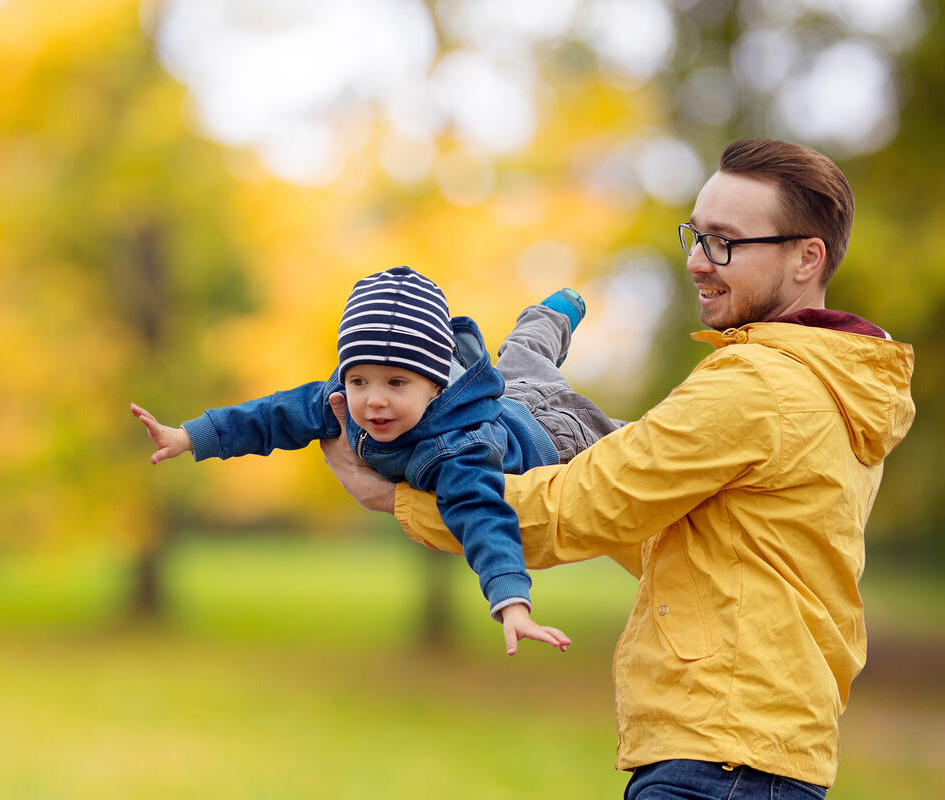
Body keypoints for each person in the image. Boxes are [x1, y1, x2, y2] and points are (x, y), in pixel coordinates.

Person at [318, 139, 915, 797]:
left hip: (721, 760)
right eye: (696, 235)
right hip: (748, 750)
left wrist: (396, 500)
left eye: (724, 243)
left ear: (807, 256)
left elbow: (581, 505)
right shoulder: (830, 383)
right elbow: (676, 539)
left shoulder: (760, 387)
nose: (696, 261)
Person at [132, 265, 620, 655]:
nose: (374, 402)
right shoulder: (342, 400)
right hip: (500, 398)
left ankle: (557, 311)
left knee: (552, 381)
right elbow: (271, 415)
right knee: (520, 357)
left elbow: (484, 517)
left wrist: (511, 601)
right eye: (360, 380)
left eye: (396, 384)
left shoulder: (455, 450)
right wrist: (190, 437)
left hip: (552, 433)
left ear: (435, 384)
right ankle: (554, 313)